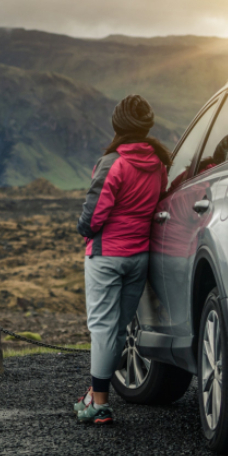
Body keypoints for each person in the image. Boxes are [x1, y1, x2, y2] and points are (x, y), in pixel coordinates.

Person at [73, 94, 171, 425]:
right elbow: (158, 204)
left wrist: (83, 230)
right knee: (117, 331)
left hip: (106, 257)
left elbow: (94, 214)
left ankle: (99, 405)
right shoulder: (158, 164)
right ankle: (94, 393)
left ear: (118, 125)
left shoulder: (113, 163)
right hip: (138, 258)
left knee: (101, 328)